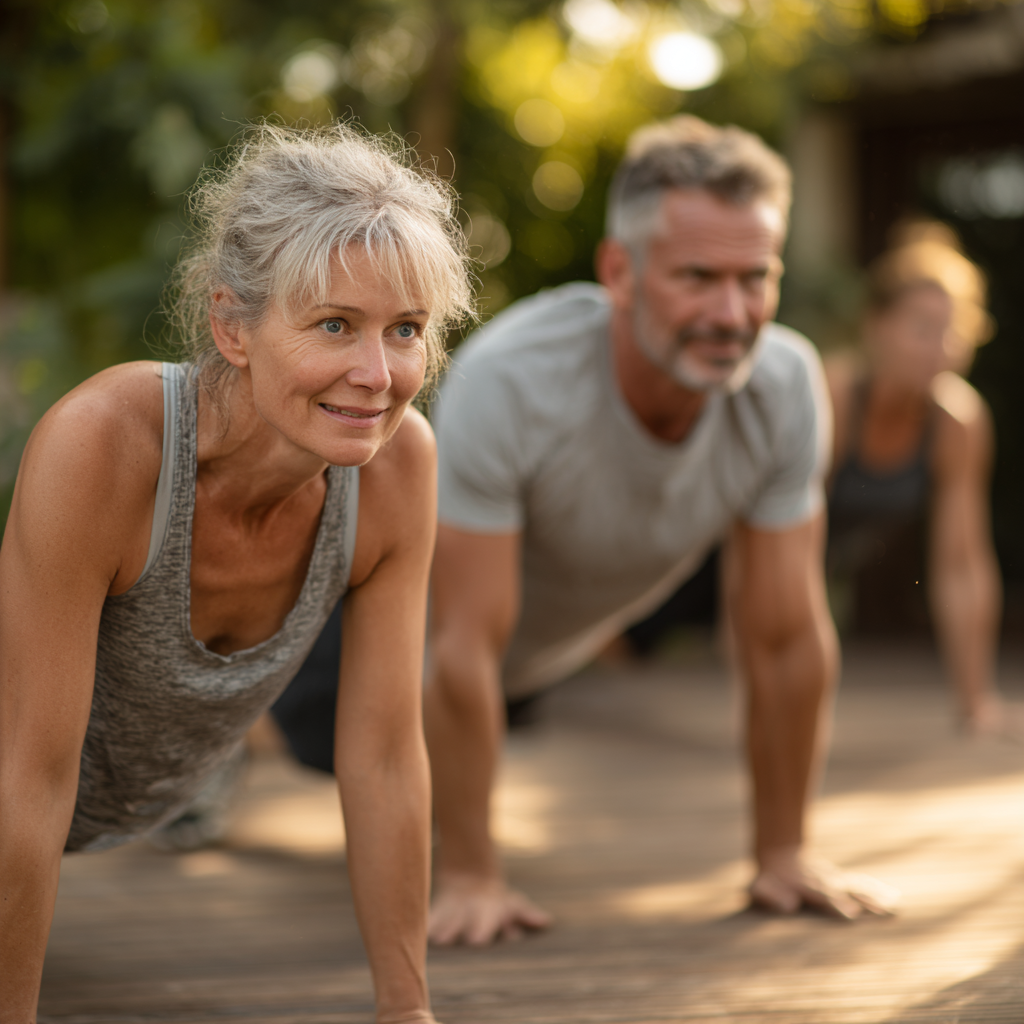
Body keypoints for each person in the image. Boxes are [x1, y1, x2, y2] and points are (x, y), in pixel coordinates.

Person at [0, 123, 473, 1023]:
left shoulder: (397, 467)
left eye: (404, 330)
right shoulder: (106, 447)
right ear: (232, 326)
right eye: (335, 324)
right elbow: (27, 776)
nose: (377, 374)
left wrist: (406, 1010)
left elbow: (379, 758)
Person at [424, 115, 897, 947]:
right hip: (383, 648)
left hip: (534, 663)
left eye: (756, 278)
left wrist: (782, 853)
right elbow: (455, 645)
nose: (731, 312)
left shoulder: (782, 386)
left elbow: (784, 635)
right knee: (291, 732)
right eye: (698, 278)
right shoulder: (509, 380)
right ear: (620, 270)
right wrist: (470, 874)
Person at [826, 222, 1010, 736]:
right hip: (709, 564)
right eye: (924, 328)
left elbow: (962, 565)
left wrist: (975, 703)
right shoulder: (835, 398)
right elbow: (766, 539)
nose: (941, 347)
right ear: (877, 326)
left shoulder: (959, 421)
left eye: (955, 330)